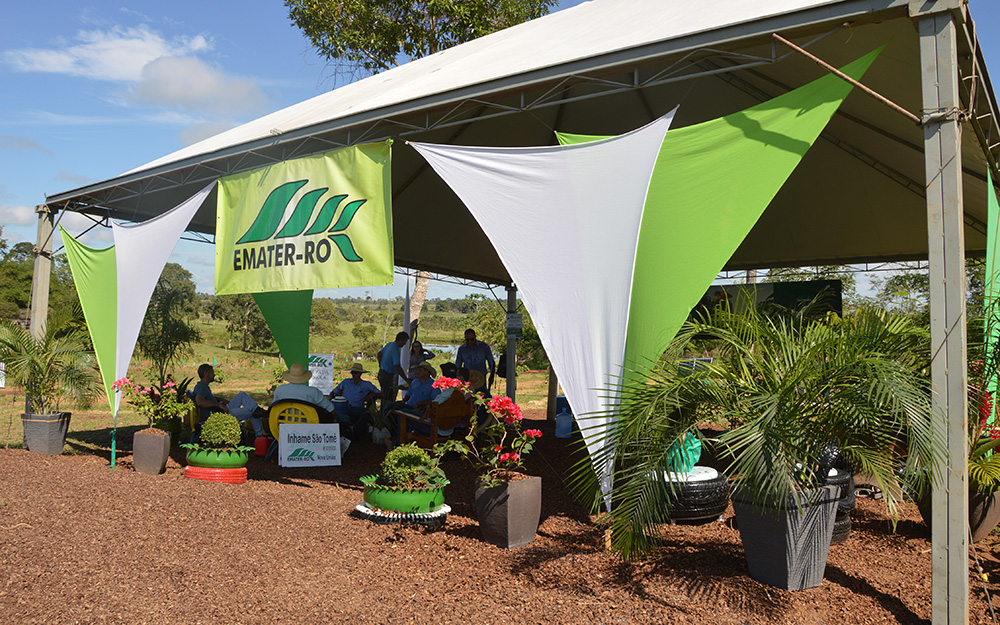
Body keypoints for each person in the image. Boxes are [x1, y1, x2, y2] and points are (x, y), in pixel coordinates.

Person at [192, 363, 266, 438]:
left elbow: (207, 397)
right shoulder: (202, 388)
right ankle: (260, 435)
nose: (214, 375)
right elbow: (200, 402)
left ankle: (257, 410)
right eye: (212, 373)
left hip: (221, 409)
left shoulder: (202, 386)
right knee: (251, 412)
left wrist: (221, 399)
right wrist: (218, 404)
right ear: (206, 374)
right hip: (220, 414)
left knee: (242, 395)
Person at [272, 362, 337, 424]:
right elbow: (331, 409)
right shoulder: (313, 392)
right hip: (309, 428)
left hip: (283, 426)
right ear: (305, 376)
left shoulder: (279, 390)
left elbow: (273, 408)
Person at [331, 362, 381, 440]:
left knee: (366, 412)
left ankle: (356, 430)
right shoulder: (345, 382)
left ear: (360, 374)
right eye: (352, 372)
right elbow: (334, 392)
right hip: (344, 407)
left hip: (356, 408)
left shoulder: (366, 384)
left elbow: (380, 393)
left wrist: (371, 395)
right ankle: (354, 431)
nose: (353, 374)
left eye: (356, 373)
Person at [377, 331, 410, 406]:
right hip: (387, 376)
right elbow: (397, 366)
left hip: (382, 373)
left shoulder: (389, 344)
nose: (404, 344)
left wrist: (381, 365)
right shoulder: (395, 349)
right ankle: (386, 415)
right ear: (401, 340)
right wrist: (406, 380)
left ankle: (383, 412)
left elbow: (379, 354)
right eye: (405, 341)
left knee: (384, 395)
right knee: (389, 398)